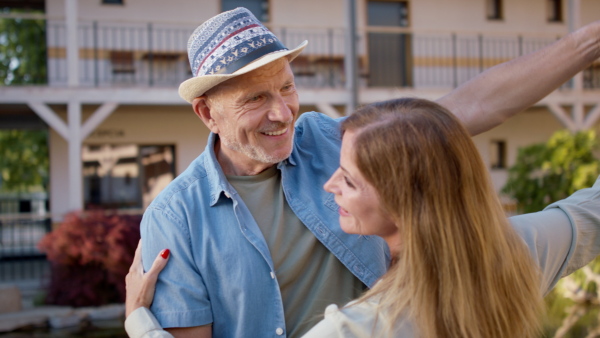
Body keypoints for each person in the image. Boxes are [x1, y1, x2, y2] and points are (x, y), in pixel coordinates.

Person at [138, 6, 600, 337]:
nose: (283, 113)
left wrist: (588, 41)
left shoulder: (329, 139)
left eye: (287, 87)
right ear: (206, 113)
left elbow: (471, 107)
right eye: (255, 99)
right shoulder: (174, 218)